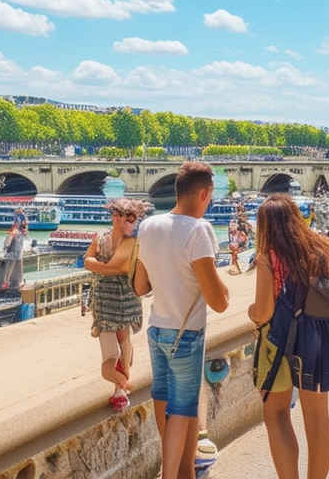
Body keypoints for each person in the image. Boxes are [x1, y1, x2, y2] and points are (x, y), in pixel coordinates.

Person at [134, 161, 229, 479]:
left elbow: (140, 286)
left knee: (163, 400)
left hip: (156, 328)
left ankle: (184, 470)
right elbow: (218, 302)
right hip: (185, 335)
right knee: (184, 409)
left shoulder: (148, 225)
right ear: (204, 194)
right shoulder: (199, 230)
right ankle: (170, 473)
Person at [248, 195, 329, 479]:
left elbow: (263, 312)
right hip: (318, 339)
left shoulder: (269, 258)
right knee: (317, 418)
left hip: (279, 343)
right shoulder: (324, 248)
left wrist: (250, 311)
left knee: (276, 414)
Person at [83, 198, 147, 412]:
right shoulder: (102, 238)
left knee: (124, 340)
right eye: (126, 218)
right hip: (105, 300)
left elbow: (95, 264)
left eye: (133, 219)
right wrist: (112, 269)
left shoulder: (135, 242)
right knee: (111, 351)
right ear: (115, 217)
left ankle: (119, 388)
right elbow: (87, 261)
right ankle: (123, 383)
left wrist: (103, 268)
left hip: (126, 299)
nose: (130, 223)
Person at [2, 216, 27, 289]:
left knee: (9, 264)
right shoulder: (20, 232)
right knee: (19, 262)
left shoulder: (14, 231)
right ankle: (20, 281)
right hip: (18, 251)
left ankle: (6, 282)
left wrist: (5, 246)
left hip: (12, 251)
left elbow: (7, 243)